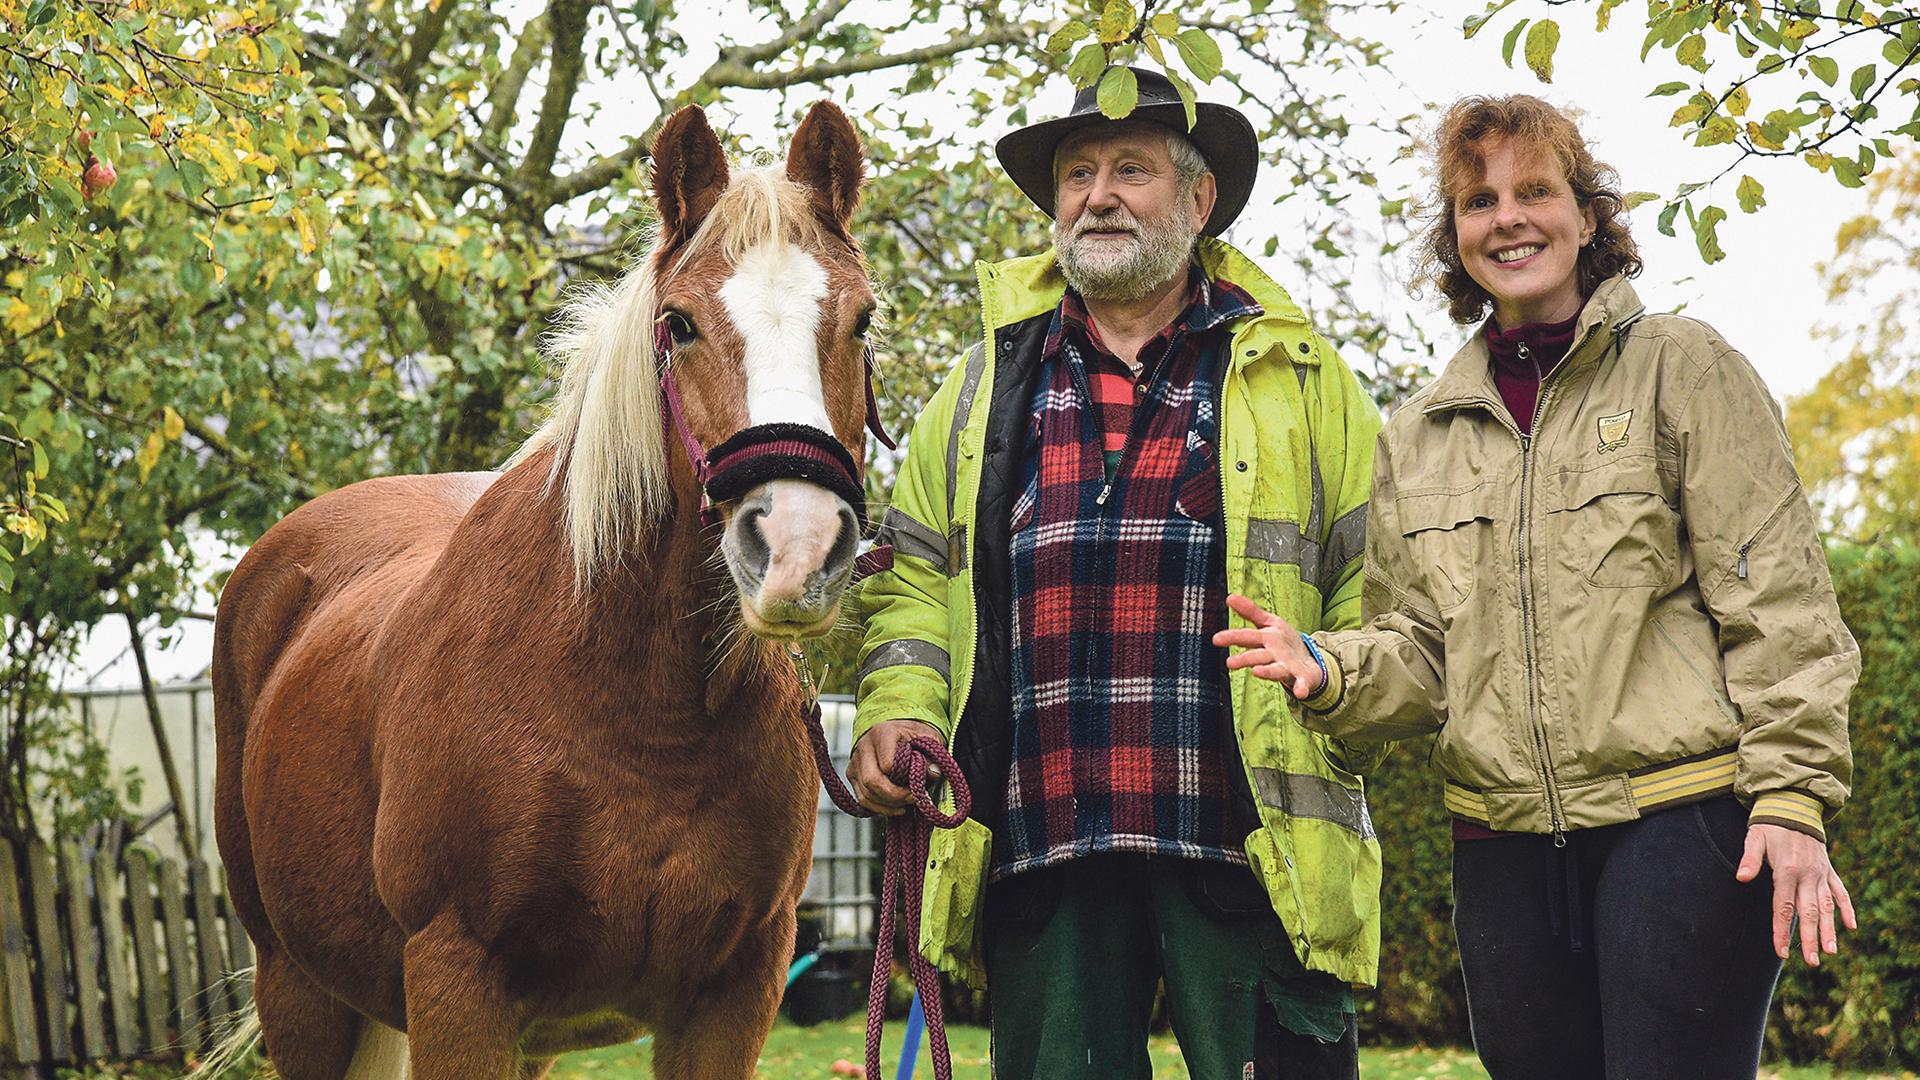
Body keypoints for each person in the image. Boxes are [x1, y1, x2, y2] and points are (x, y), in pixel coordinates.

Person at [1213, 94, 1860, 1079]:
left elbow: (1782, 609)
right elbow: (1423, 652)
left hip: (1677, 825)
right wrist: (1330, 668)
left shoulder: (1683, 371)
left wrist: (1791, 803)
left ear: (1587, 215)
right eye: (1478, 201)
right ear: (1457, 236)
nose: (1507, 217)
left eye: (1535, 190)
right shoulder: (1422, 429)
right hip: (1500, 845)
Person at [850, 67, 1386, 1079]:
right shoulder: (978, 387)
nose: (1097, 195)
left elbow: (1384, 589)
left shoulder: (1305, 380)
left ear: (1198, 200)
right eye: (1076, 174)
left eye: (1131, 170)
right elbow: (913, 578)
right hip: (1042, 843)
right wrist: (902, 706)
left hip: (1250, 850)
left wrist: (1338, 667)